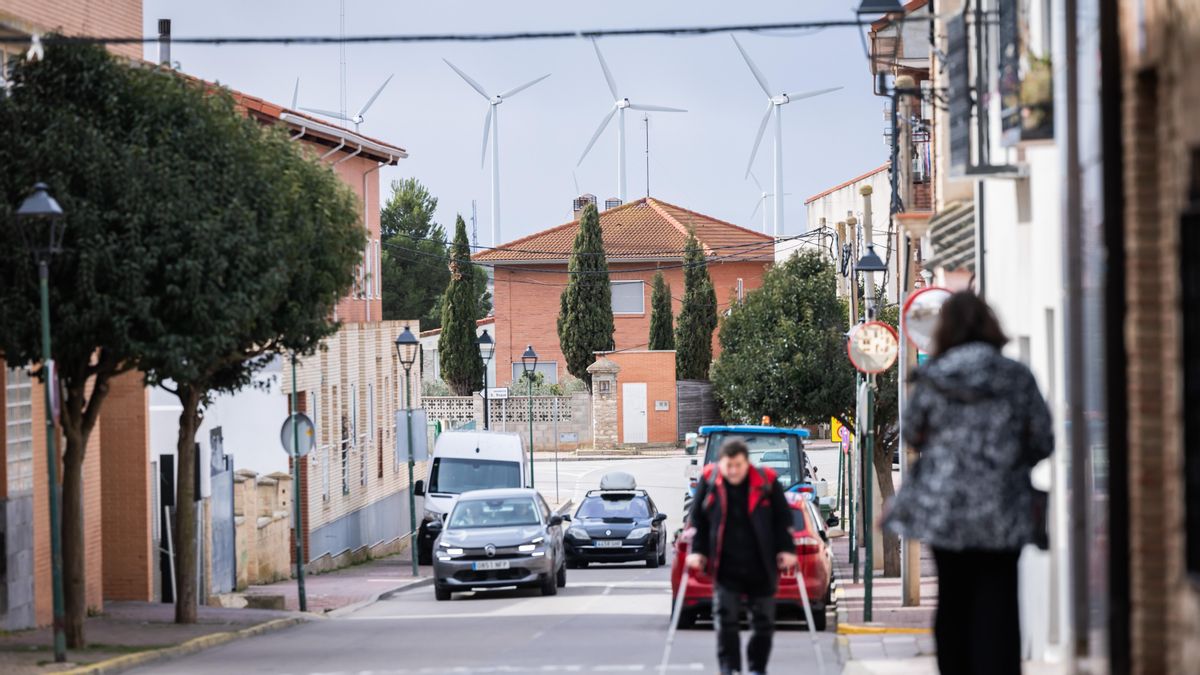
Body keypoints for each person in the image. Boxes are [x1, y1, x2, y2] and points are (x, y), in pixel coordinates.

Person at [884, 291, 1053, 675]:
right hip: (1003, 509)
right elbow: (1043, 440)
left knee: (954, 601)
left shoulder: (934, 378)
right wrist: (1010, 463)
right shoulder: (1016, 376)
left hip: (947, 512)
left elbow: (912, 433)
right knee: (1000, 604)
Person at [686, 440, 797, 675]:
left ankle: (757, 668)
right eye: (729, 466)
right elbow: (698, 520)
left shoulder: (766, 481)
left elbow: (782, 519)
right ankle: (730, 668)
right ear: (721, 464)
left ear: (747, 463)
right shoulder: (710, 480)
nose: (733, 471)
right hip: (725, 566)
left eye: (738, 465)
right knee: (725, 620)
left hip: (761, 564)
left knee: (763, 622)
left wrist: (786, 549)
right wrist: (698, 551)